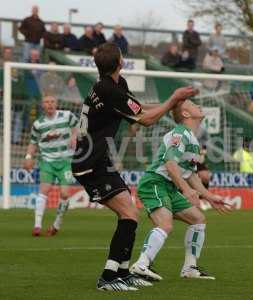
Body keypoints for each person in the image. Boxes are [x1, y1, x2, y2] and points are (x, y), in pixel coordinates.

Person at [71, 42, 198, 291]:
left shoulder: (116, 86)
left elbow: (138, 110)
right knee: (129, 214)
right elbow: (147, 120)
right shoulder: (109, 90)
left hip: (99, 160)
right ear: (120, 62)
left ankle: (122, 272)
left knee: (130, 215)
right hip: (90, 163)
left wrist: (169, 104)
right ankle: (108, 278)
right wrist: (173, 98)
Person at [130, 99, 230, 281]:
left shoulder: (192, 138)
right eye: (193, 104)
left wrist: (209, 196)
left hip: (169, 186)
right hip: (155, 182)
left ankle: (190, 268)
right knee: (165, 224)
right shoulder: (180, 134)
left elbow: (191, 175)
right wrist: (186, 190)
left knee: (198, 218)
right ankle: (141, 265)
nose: (198, 105)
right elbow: (169, 163)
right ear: (186, 114)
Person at [23, 95, 78, 236]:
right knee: (44, 190)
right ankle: (37, 226)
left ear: (56, 103)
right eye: (47, 102)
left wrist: (74, 135)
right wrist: (29, 157)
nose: (50, 104)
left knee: (65, 194)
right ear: (43, 105)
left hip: (66, 161)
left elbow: (78, 127)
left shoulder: (67, 116)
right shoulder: (38, 124)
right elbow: (33, 143)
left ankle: (56, 224)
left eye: (52, 101)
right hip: (47, 161)